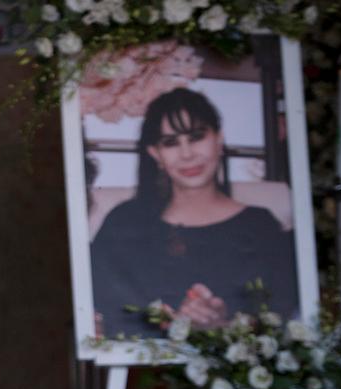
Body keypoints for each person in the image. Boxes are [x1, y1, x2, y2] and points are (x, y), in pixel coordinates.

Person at [90, 87, 298, 339]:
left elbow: (279, 315)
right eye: (171, 143)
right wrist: (169, 322)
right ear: (155, 154)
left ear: (218, 139)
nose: (187, 154)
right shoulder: (124, 223)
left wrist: (225, 325)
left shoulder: (260, 226)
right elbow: (102, 305)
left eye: (197, 137)